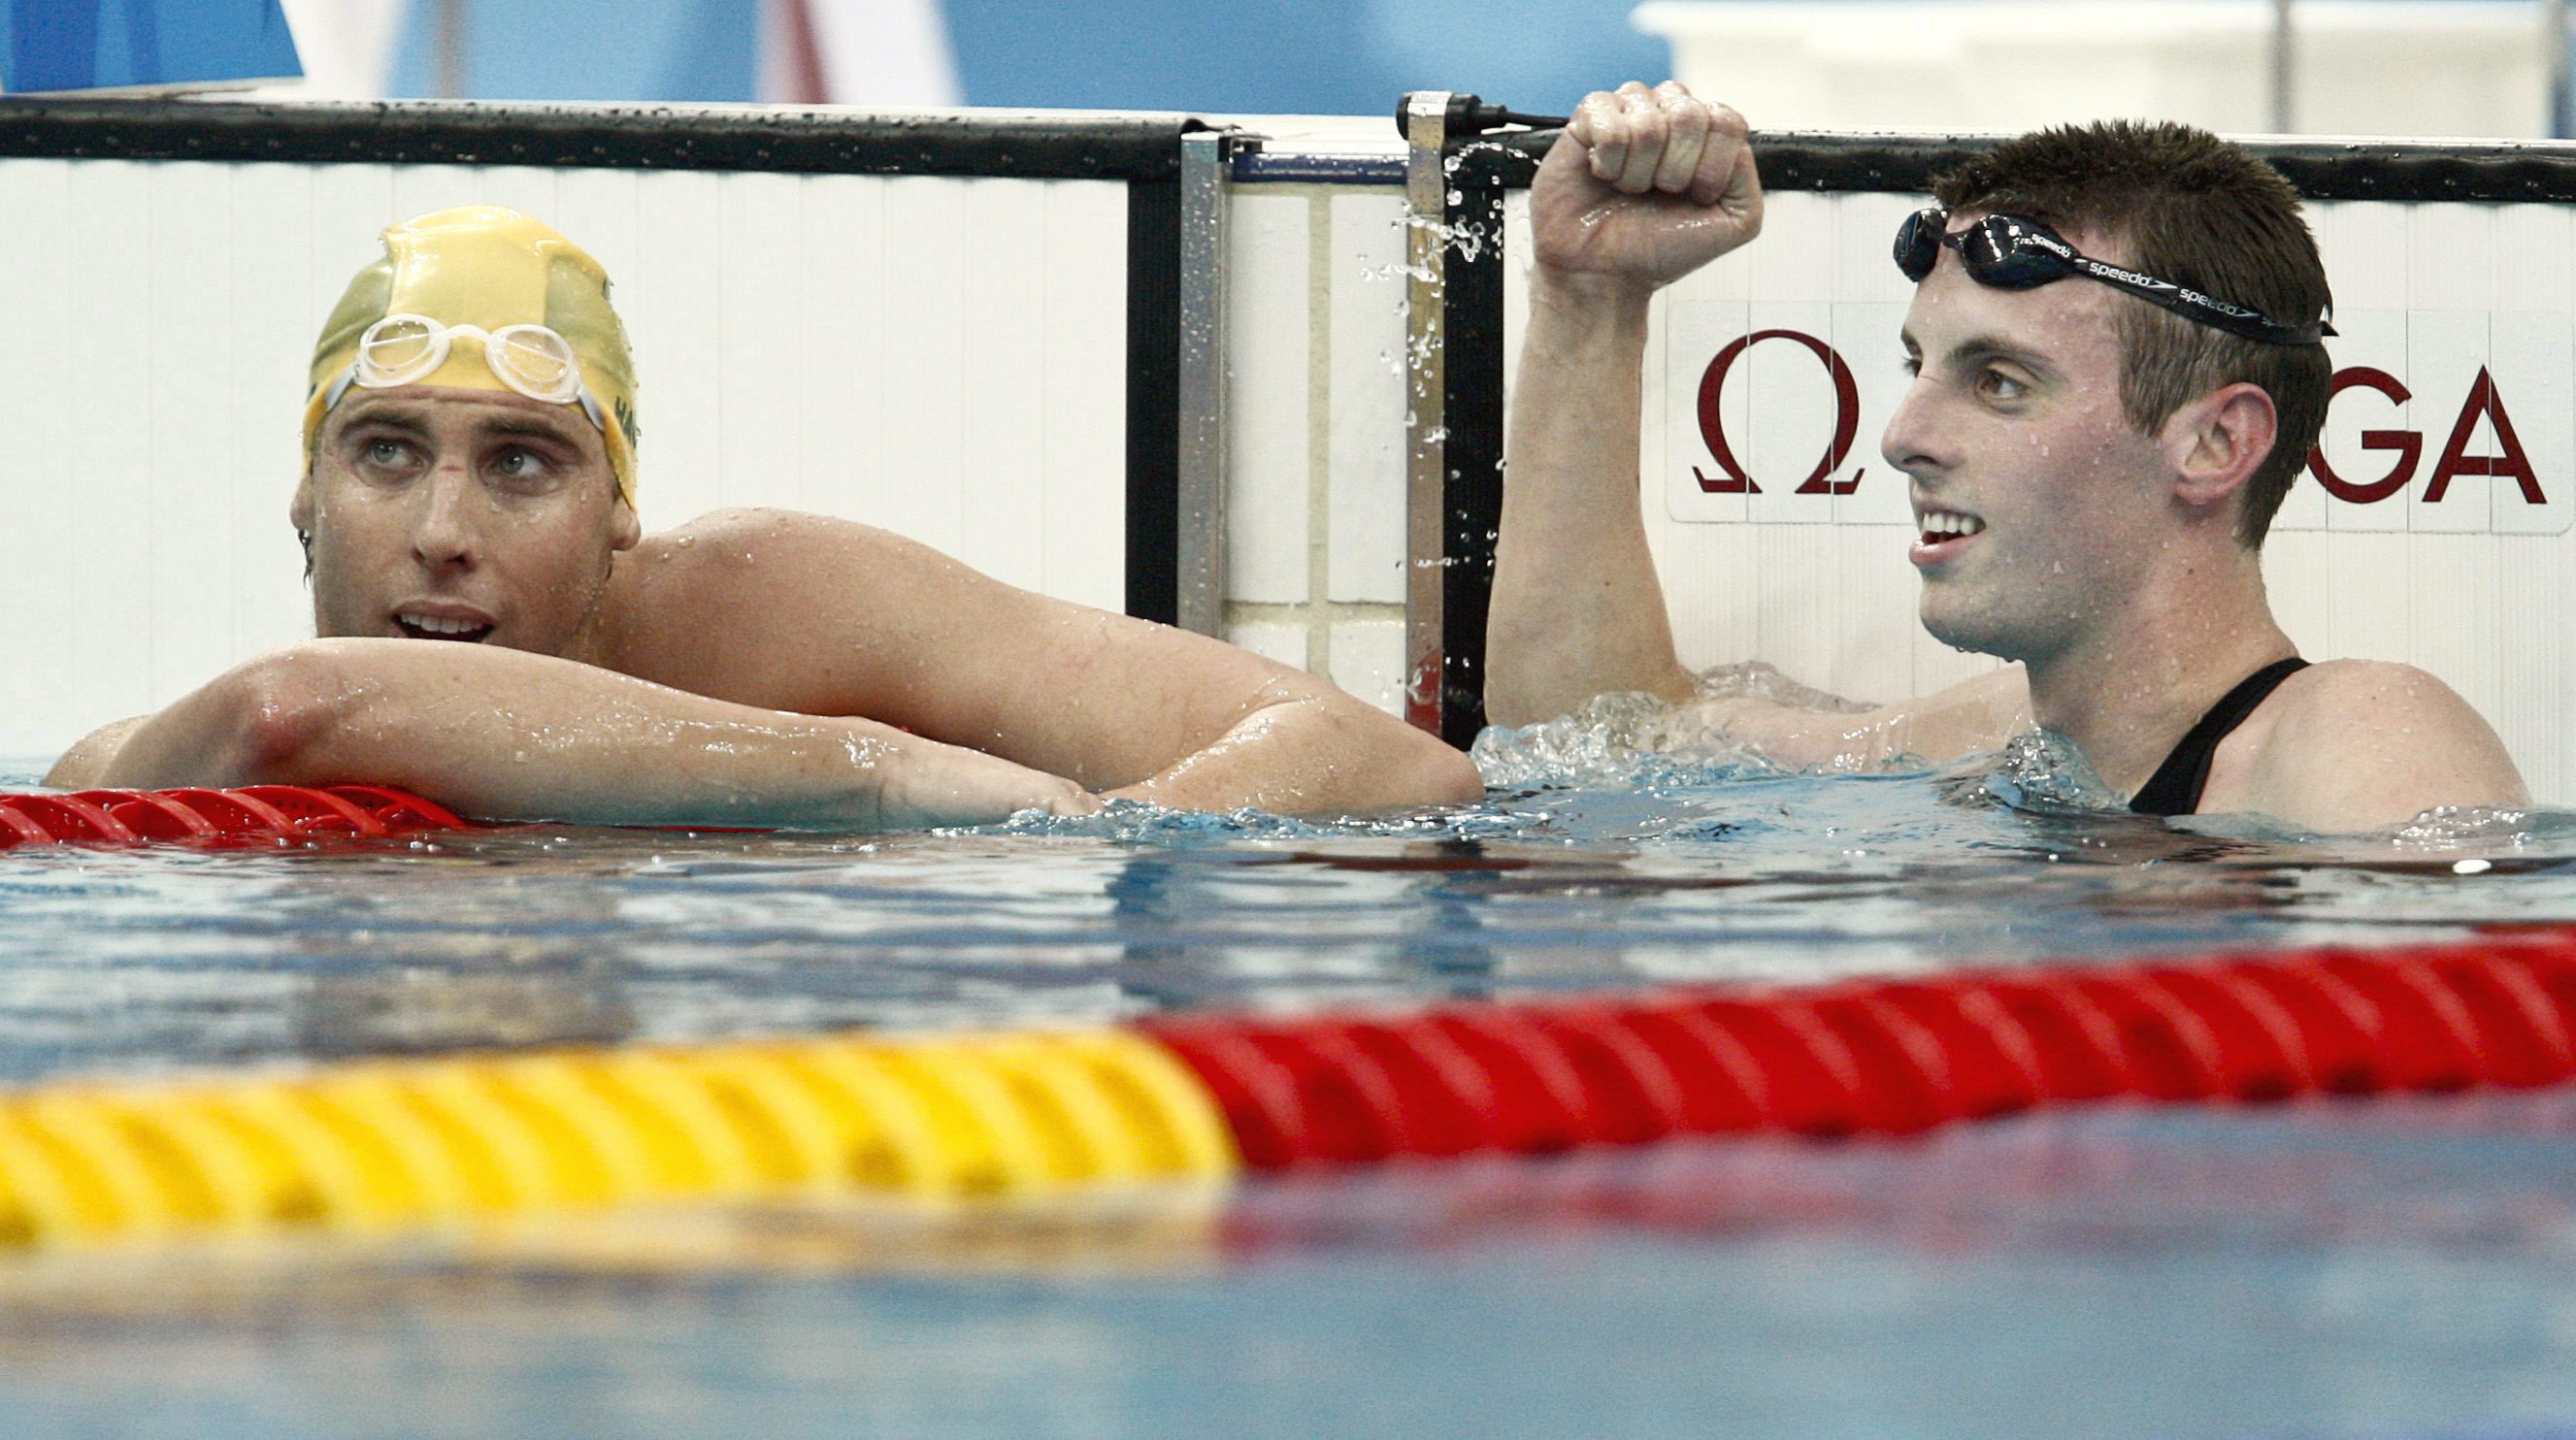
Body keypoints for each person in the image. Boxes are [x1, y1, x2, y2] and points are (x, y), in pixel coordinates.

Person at [46, 206, 1481, 828]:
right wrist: (871, 774)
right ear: (304, 494)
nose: (441, 528)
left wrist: (1107, 845)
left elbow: (1379, 761)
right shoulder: (143, 764)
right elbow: (293, 711)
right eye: (382, 453)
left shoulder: (772, 612)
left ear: (620, 512)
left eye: (525, 463)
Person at [1485, 82, 2526, 833]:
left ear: (2214, 442)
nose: (1900, 437)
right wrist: (1592, 301)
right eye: (1917, 367)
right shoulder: (2000, 740)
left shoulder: (2357, 739)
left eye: (1997, 382)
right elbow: (1590, 738)